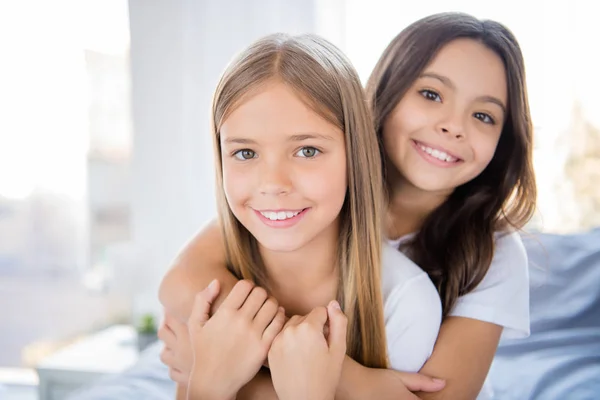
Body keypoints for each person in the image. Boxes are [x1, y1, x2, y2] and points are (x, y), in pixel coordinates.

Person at [160, 11, 537, 400]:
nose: (454, 125)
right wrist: (230, 356)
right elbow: (180, 279)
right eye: (431, 94)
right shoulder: (292, 205)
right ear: (384, 96)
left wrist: (332, 373)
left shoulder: (490, 253)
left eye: (483, 115)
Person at [164, 32, 441, 400]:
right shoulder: (209, 285)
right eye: (245, 154)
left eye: (307, 150)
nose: (273, 184)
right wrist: (208, 387)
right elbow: (173, 283)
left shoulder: (404, 302)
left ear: (354, 155)